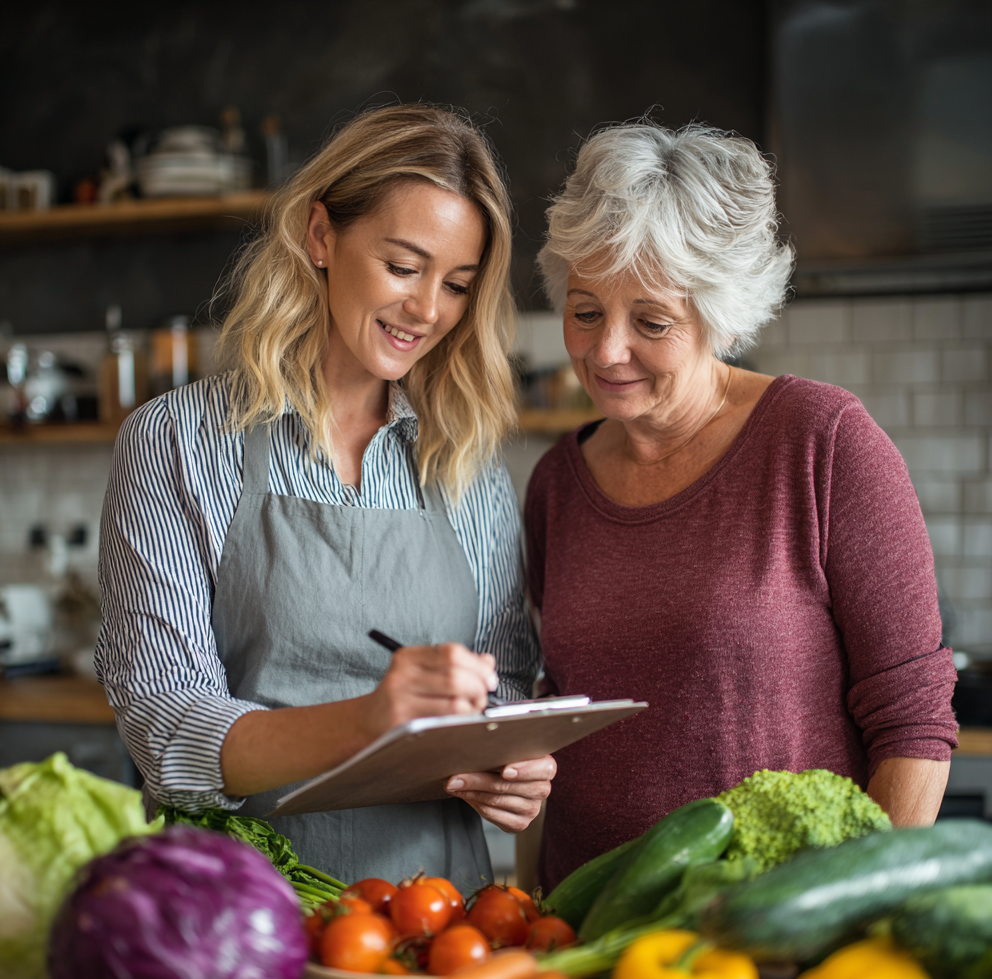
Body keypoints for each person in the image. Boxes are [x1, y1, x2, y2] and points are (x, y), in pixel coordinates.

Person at [96, 104, 554, 893]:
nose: (427, 311)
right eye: (403, 267)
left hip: (436, 918)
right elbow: (166, 729)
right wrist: (371, 720)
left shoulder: (466, 464)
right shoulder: (178, 441)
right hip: (236, 911)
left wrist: (506, 764)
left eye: (456, 285)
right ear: (320, 237)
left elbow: (503, 682)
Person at [524, 121, 958, 891]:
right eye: (585, 311)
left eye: (650, 322)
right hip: (582, 930)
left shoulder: (822, 444)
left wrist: (841, 910)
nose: (605, 350)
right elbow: (547, 725)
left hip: (767, 941)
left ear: (720, 315)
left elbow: (914, 723)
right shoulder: (558, 483)